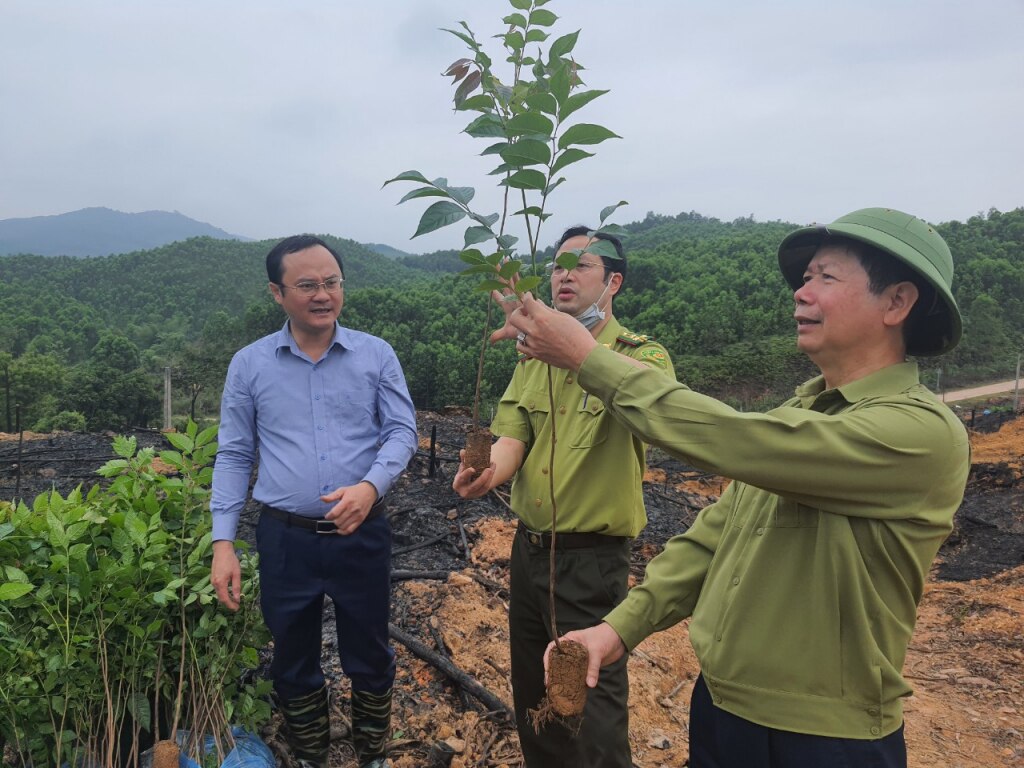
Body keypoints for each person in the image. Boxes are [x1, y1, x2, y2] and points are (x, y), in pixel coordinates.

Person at [507, 208, 970, 768]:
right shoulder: (797, 413)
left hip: (823, 737)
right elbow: (712, 538)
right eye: (804, 279)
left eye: (825, 277)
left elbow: (733, 439)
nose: (801, 294)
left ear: (897, 302)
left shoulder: (920, 432)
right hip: (723, 712)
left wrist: (586, 359)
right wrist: (616, 630)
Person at [452, 227, 675, 767]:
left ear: (613, 282)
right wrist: (490, 473)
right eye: (556, 266)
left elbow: (659, 412)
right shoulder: (531, 361)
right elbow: (515, 435)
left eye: (582, 265)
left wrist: (577, 354)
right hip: (528, 553)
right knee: (536, 697)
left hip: (590, 564)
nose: (565, 275)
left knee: (589, 713)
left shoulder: (640, 356)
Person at [210, 234, 418, 768]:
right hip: (286, 538)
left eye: (331, 282)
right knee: (293, 657)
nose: (322, 294)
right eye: (306, 285)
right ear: (278, 293)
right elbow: (235, 454)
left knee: (370, 654)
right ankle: (312, 755)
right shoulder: (250, 365)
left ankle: (371, 754)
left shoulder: (376, 354)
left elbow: (401, 432)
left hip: (361, 532)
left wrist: (370, 487)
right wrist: (222, 543)